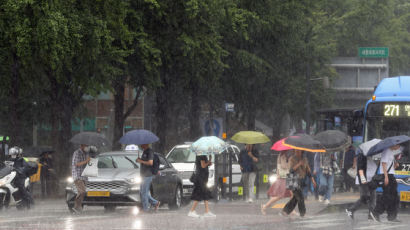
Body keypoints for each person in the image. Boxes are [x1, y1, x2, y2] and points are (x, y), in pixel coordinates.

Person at [370, 145, 402, 222]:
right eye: (398, 145)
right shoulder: (386, 151)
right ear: (393, 145)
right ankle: (375, 212)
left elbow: (389, 166)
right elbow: (383, 164)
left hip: (391, 175)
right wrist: (386, 177)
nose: (398, 147)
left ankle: (392, 216)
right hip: (387, 177)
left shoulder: (391, 152)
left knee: (394, 197)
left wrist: (395, 166)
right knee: (387, 196)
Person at [280, 149, 316, 218]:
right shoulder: (292, 159)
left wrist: (313, 180)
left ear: (302, 151)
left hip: (301, 180)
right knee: (301, 197)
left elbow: (308, 171)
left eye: (299, 151)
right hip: (292, 179)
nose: (297, 152)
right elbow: (291, 170)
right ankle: (303, 213)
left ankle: (285, 211)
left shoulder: (305, 159)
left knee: (295, 198)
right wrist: (299, 164)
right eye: (296, 151)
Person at [345, 148, 377, 220]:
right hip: (363, 181)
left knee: (373, 198)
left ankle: (371, 214)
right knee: (365, 198)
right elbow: (360, 169)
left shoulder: (370, 158)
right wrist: (363, 179)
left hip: (371, 181)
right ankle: (351, 210)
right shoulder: (361, 158)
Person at [261, 150, 292, 215]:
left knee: (290, 195)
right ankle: (265, 206)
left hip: (284, 177)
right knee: (280, 196)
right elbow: (284, 166)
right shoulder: (283, 156)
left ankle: (290, 210)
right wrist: (289, 161)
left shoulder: (282, 155)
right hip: (284, 177)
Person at [136, 144, 160, 213]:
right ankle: (155, 203)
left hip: (148, 175)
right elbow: (145, 162)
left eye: (142, 144)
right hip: (143, 175)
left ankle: (145, 209)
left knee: (144, 192)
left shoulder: (150, 151)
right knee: (142, 192)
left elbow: (150, 162)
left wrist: (141, 161)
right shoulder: (144, 152)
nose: (141, 145)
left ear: (145, 144)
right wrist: (140, 160)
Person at [71, 144, 92, 213]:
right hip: (77, 175)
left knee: (83, 192)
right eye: (86, 146)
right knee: (82, 191)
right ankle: (76, 207)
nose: (87, 147)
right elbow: (77, 164)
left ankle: (78, 207)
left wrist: (89, 161)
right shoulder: (77, 153)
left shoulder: (86, 153)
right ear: (82, 146)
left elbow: (87, 163)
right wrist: (86, 161)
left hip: (84, 176)